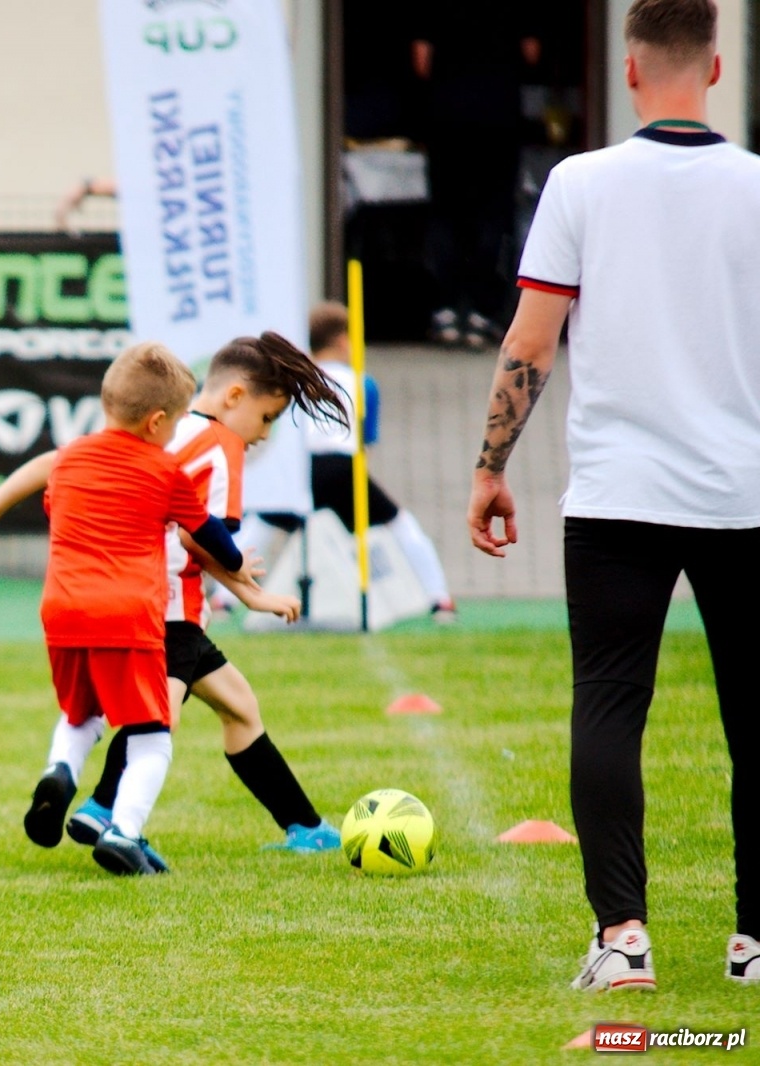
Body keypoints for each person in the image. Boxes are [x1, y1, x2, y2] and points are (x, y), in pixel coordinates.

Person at [466, 0, 760, 992]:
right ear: (714, 71)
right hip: (743, 492)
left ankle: (621, 939)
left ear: (630, 71)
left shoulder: (578, 182)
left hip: (616, 495)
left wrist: (488, 466)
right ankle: (754, 945)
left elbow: (528, 340)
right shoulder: (757, 188)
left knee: (607, 704)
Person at [0, 334, 350, 862]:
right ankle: (109, 816)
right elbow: (197, 538)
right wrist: (253, 593)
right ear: (234, 397)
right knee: (154, 723)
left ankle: (304, 826)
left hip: (122, 606)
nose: (262, 436)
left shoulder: (140, 434)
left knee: (238, 707)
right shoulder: (218, 445)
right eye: (267, 418)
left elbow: (53, 462)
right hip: (162, 609)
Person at [305, 301, 456, 620]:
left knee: (262, 524)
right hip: (344, 467)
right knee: (400, 525)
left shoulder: (298, 381)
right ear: (344, 340)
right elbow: (365, 444)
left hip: (303, 469)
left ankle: (224, 600)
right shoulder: (363, 383)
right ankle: (439, 598)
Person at [410, 2, 541, 346]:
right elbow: (531, 53)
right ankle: (485, 310)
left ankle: (446, 308)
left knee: (446, 211)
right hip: (498, 115)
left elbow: (421, 61)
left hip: (447, 117)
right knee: (494, 212)